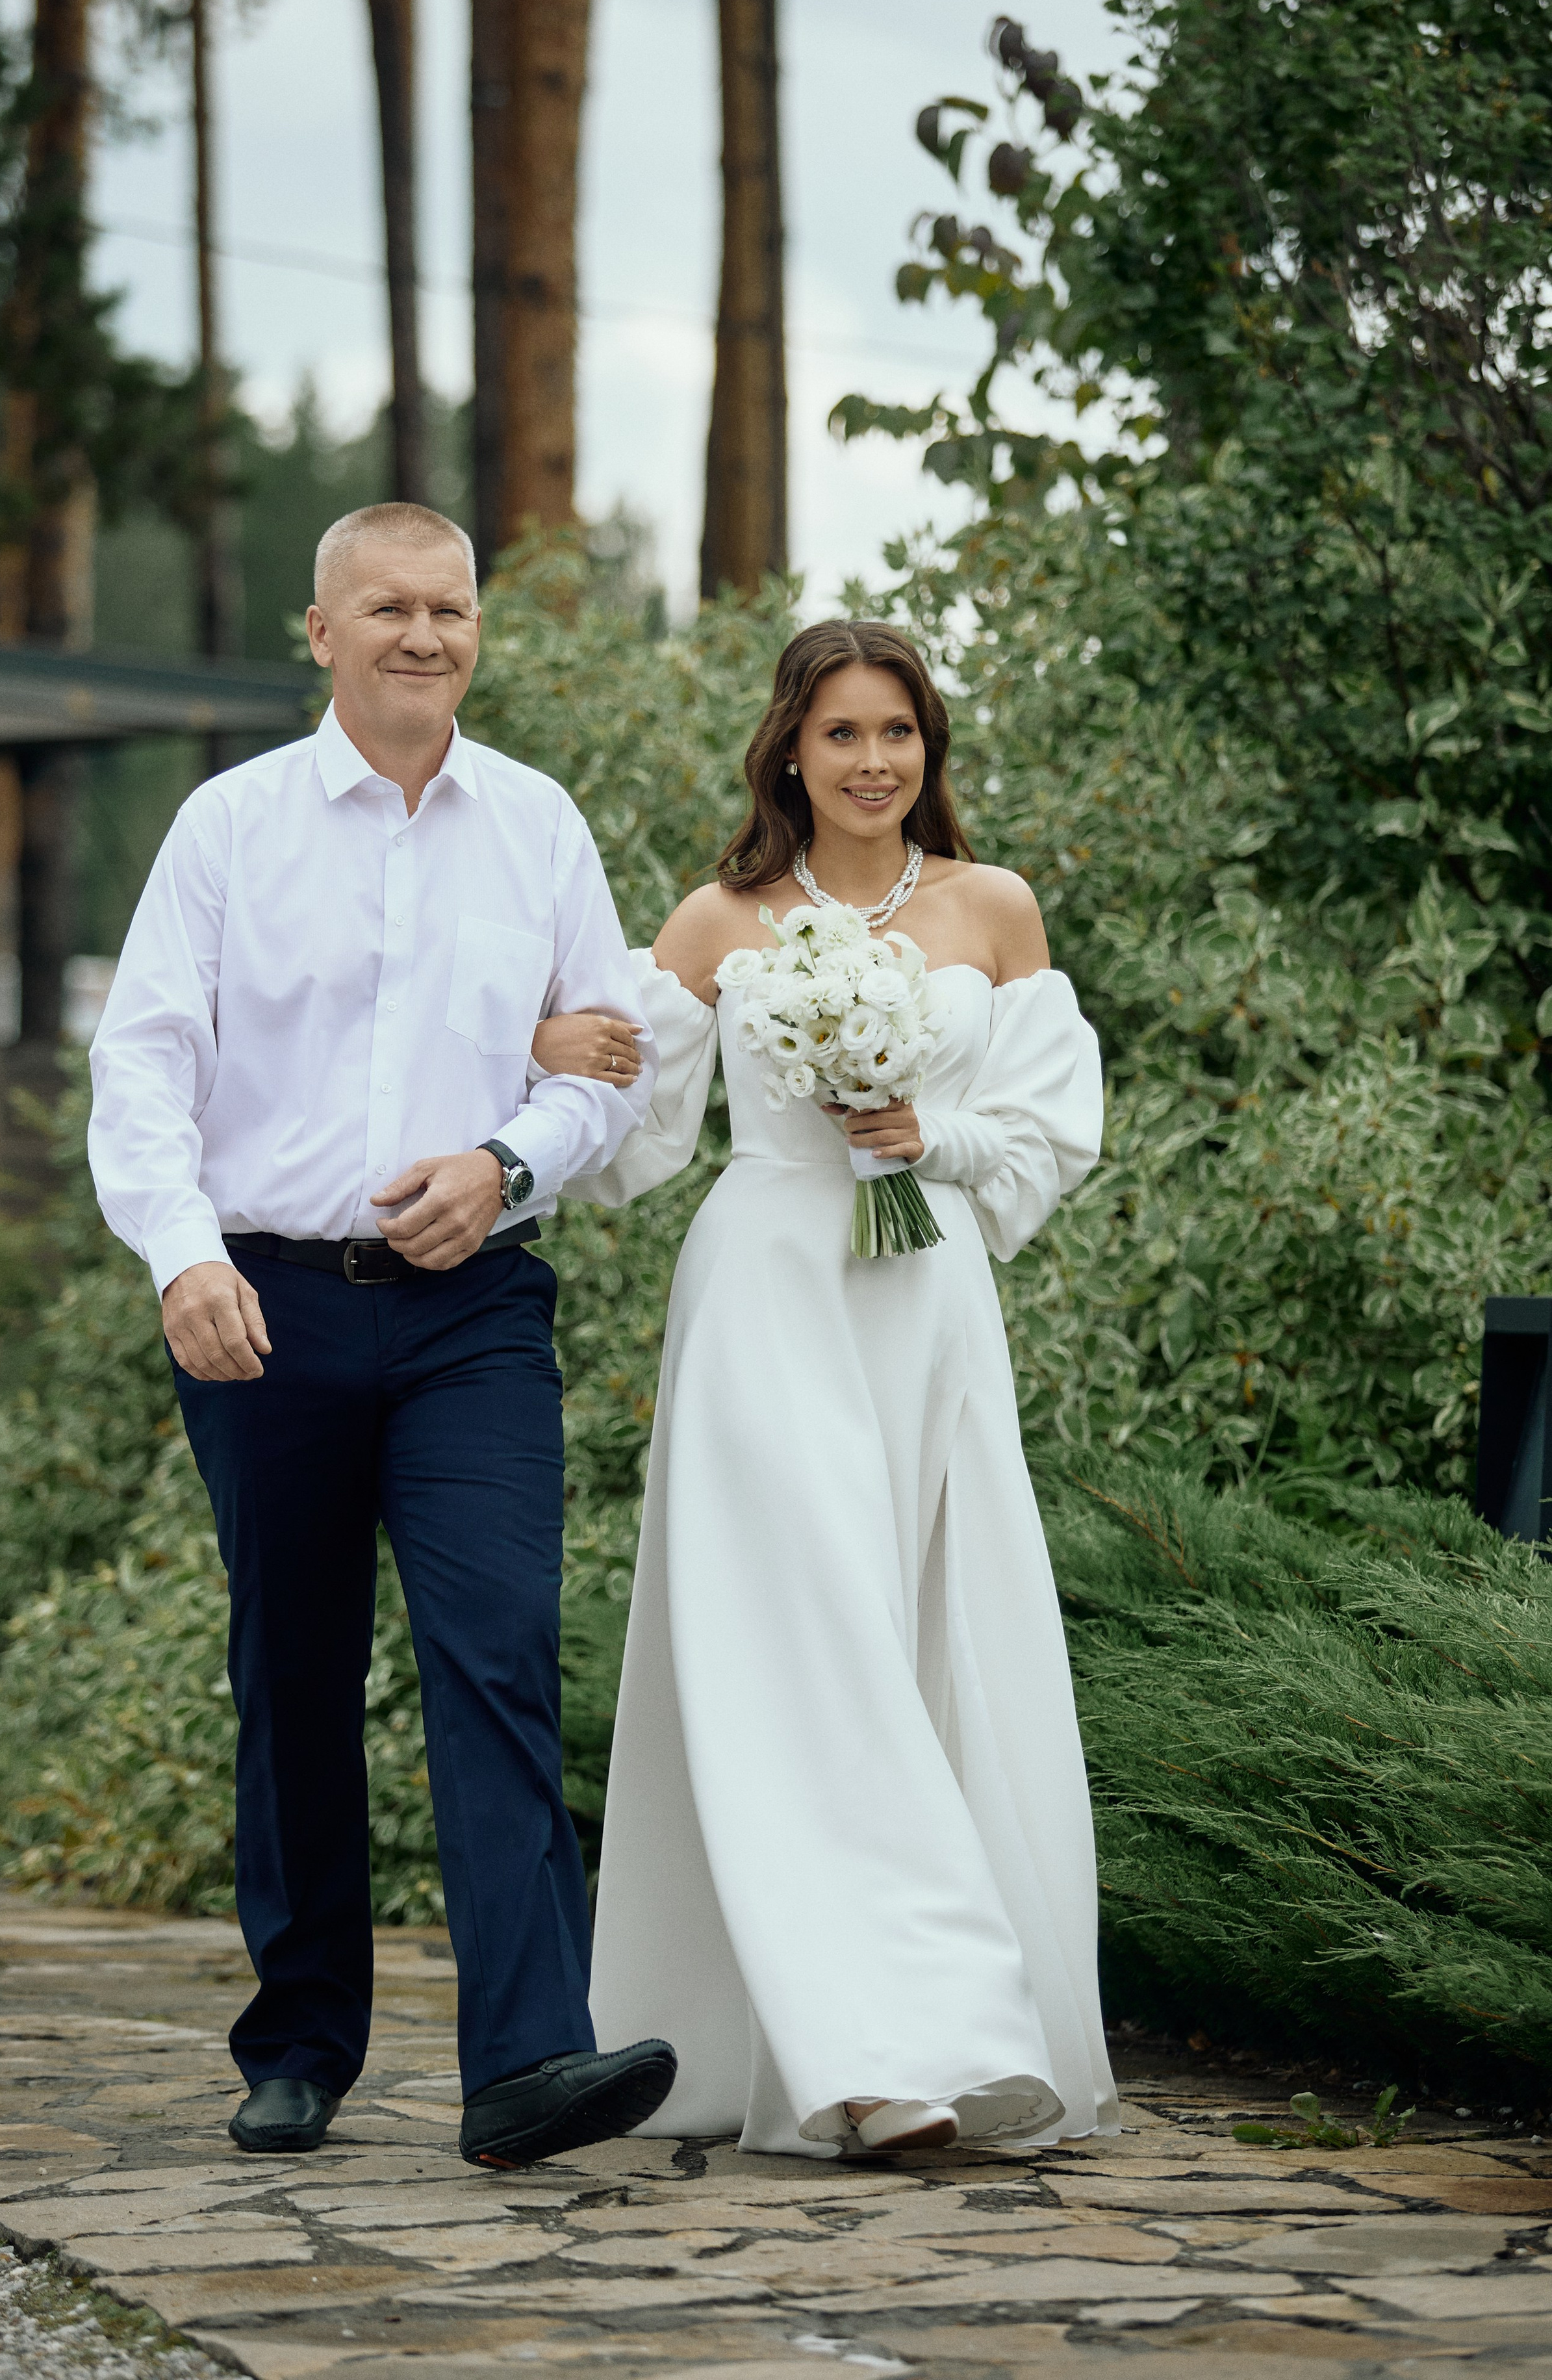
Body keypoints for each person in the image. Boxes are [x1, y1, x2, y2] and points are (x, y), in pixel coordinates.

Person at [87, 502, 677, 2168]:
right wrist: (181, 1259)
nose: (424, 635)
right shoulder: (227, 828)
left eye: (450, 609)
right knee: (294, 1673)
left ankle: (523, 2067)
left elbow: (601, 1064)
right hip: (261, 1304)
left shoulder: (539, 827)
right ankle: (298, 2045)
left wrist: (505, 1163)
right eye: (389, 608)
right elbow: (140, 1067)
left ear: (477, 629)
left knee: (492, 1649)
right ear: (321, 630)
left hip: (473, 1313)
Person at [531, 619, 1118, 2156]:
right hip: (763, 1300)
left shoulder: (992, 907)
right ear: (787, 746)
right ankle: (869, 2056)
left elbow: (1050, 1132)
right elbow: (630, 1128)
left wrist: (938, 1140)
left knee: (922, 1637)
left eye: (897, 733)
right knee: (801, 1654)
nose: (871, 763)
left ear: (929, 749)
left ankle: (919, 2019)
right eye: (841, 733)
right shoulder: (718, 919)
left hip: (924, 1302)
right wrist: (545, 1044)